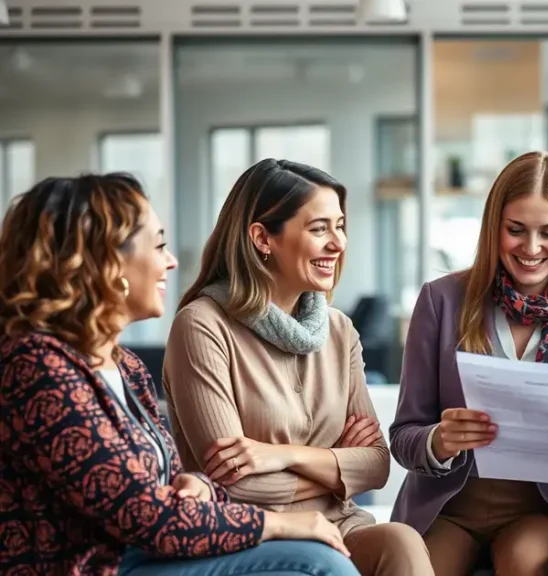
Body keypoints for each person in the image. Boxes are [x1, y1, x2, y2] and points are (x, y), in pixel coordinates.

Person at [0, 174, 358, 576]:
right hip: (95, 567)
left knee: (324, 559)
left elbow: (173, 483)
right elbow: (143, 513)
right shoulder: (37, 367)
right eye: (158, 246)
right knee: (319, 565)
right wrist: (280, 523)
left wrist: (200, 486)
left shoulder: (125, 367)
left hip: (141, 557)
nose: (170, 261)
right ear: (104, 261)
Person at [162, 159, 432, 576]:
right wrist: (336, 465)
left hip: (339, 524)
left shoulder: (340, 331)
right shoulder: (201, 325)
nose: (338, 243)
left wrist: (281, 455)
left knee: (401, 540)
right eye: (319, 228)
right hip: (253, 536)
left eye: (340, 226)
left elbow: (377, 463)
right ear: (262, 238)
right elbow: (236, 484)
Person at [389, 151, 548, 575]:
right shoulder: (441, 301)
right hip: (450, 506)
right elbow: (404, 434)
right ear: (493, 226)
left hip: (547, 507)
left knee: (525, 560)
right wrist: (440, 440)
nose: (531, 248)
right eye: (515, 230)